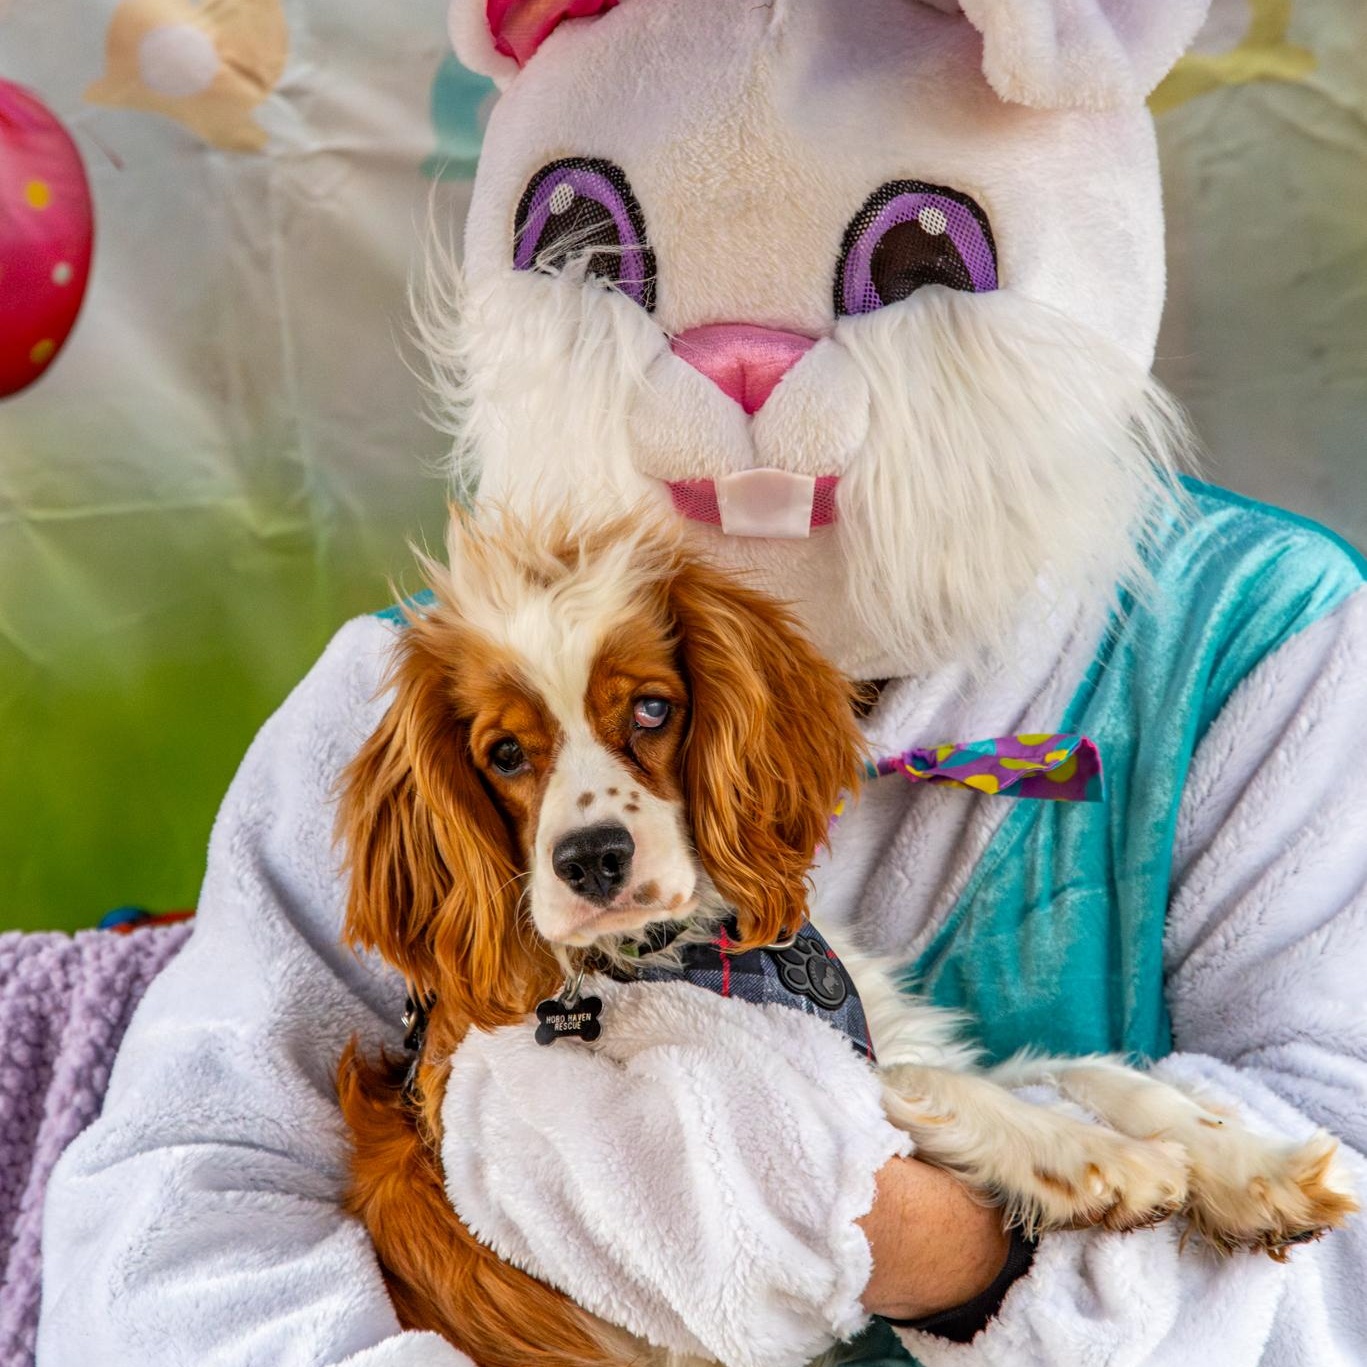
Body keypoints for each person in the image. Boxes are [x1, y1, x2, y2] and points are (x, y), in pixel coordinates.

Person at [38, 1, 1367, 1363]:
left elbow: (1345, 1224)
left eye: (912, 260)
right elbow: (173, 1223)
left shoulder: (1258, 651)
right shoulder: (414, 698)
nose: (743, 373)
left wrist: (932, 1245)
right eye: (602, 254)